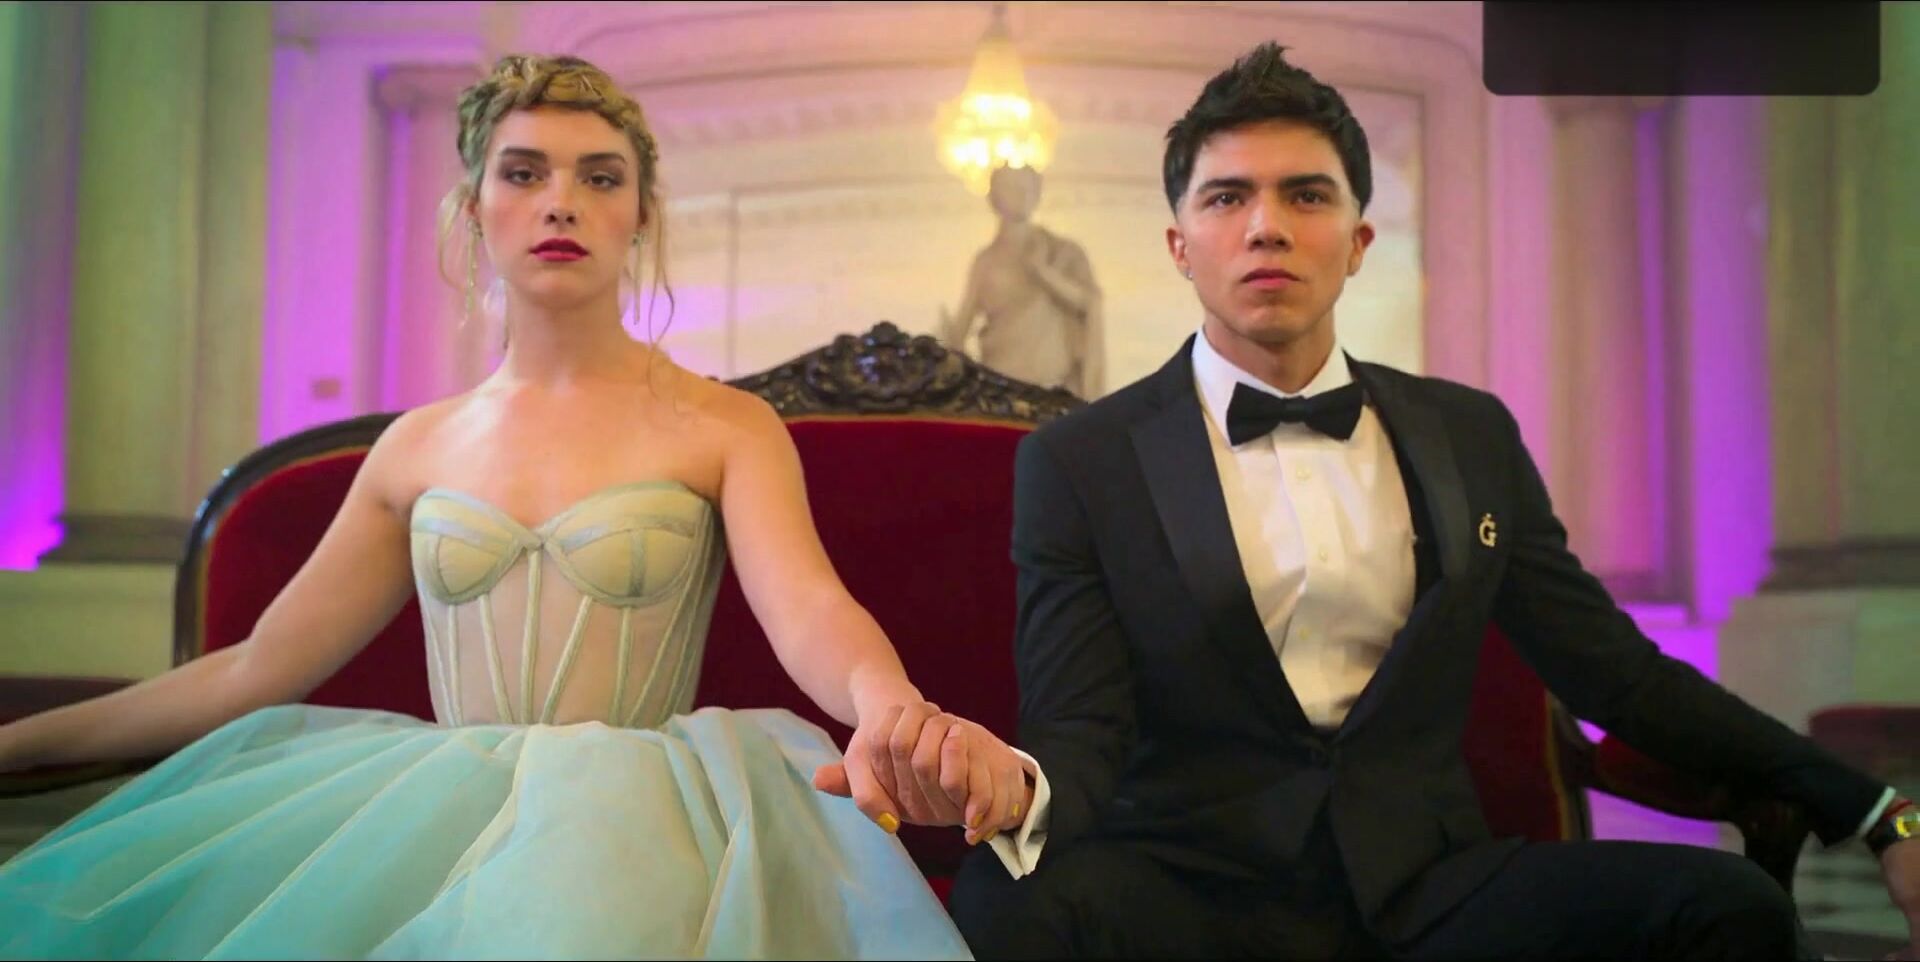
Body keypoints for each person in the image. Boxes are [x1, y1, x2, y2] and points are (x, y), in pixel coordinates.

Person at [0, 54, 1023, 961]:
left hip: (649, 816)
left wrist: (887, 703)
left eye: (599, 177)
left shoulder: (724, 426)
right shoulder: (416, 447)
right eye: (524, 172)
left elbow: (808, 607)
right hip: (429, 809)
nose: (561, 202)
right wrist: (24, 740)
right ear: (473, 207)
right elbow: (256, 665)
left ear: (641, 213)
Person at [941, 41, 1920, 960]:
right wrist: (1018, 790)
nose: (1266, 225)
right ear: (1180, 244)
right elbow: (1081, 727)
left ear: (1358, 240)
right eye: (1228, 196)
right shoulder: (1083, 460)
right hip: (1189, 891)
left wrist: (1880, 812)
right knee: (1007, 894)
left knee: (1732, 906)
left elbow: (1618, 675)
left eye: (1306, 194)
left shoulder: (1469, 435)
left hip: (1431, 887)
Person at [941, 163, 1105, 398]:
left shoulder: (1064, 251)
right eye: (1010, 187)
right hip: (999, 387)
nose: (1021, 194)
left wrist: (1045, 274)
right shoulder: (986, 262)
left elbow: (1090, 303)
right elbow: (960, 329)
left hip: (1053, 388)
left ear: (1037, 194)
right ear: (994, 198)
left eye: (1027, 187)